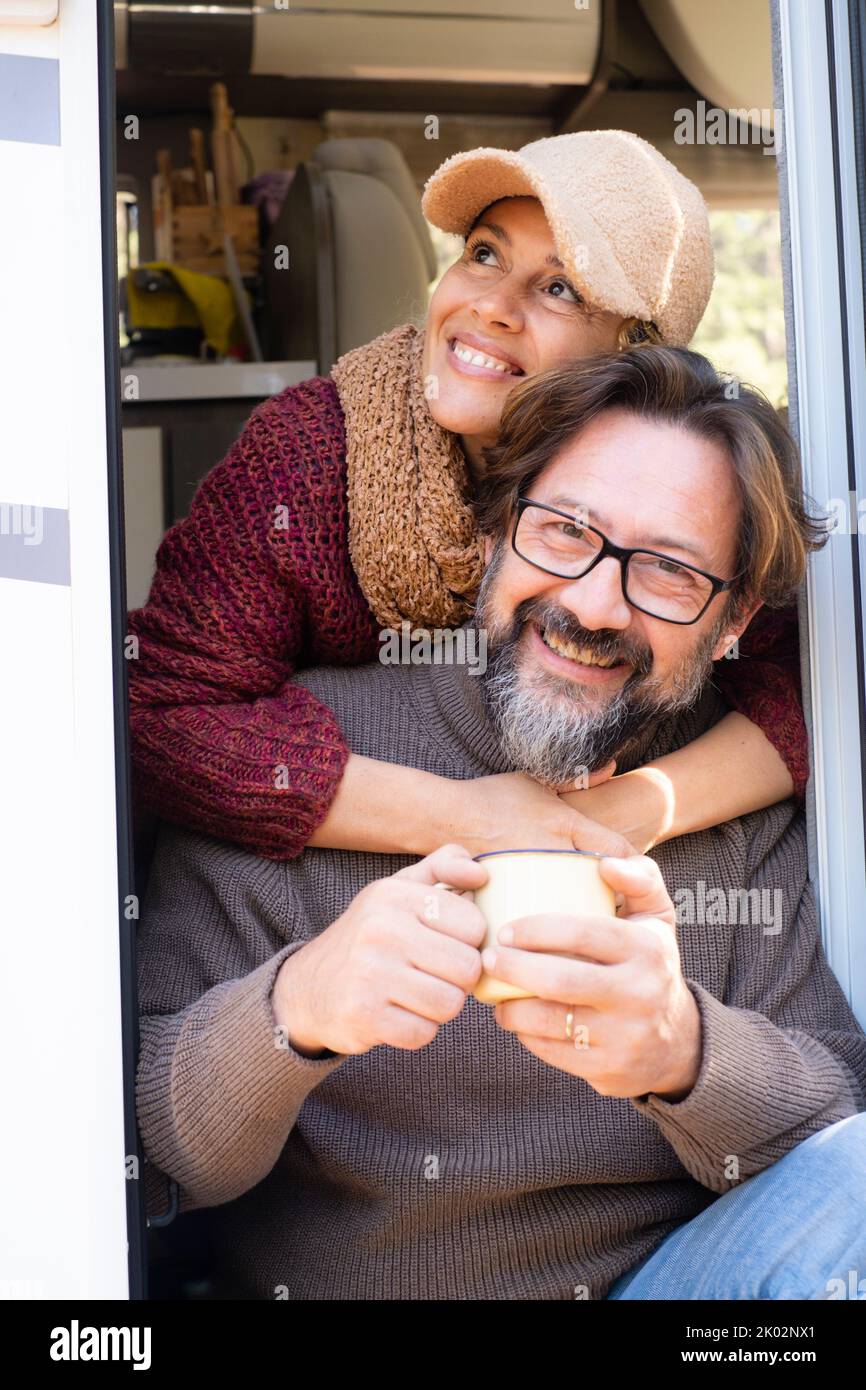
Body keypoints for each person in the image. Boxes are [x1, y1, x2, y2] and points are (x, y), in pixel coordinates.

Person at [136, 346, 866, 1301]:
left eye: (671, 573)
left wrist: (684, 1052)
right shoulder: (307, 755)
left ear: (732, 627)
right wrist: (297, 1008)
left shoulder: (736, 808)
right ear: (494, 536)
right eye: (564, 532)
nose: (593, 603)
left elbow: (836, 1145)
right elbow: (149, 1158)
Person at [126, 130, 806, 870]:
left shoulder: (686, 504)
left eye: (559, 288)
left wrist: (624, 812)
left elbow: (813, 697)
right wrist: (465, 817)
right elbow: (156, 715)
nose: (491, 307)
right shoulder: (310, 457)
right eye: (484, 254)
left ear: (634, 354)